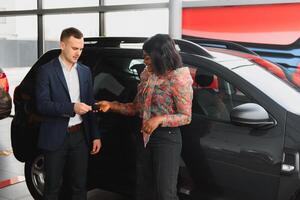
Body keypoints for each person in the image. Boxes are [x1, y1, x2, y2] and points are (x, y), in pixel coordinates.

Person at [97, 34, 193, 200]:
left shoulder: (178, 78)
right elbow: (136, 108)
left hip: (167, 139)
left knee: (165, 193)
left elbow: (186, 116)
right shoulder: (147, 75)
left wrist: (159, 119)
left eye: (148, 58)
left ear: (161, 57)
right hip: (144, 137)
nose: (145, 62)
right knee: (144, 190)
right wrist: (112, 105)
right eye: (144, 58)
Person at [35, 27, 101, 200]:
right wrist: (71, 108)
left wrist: (95, 135)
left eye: (80, 49)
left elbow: (90, 103)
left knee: (80, 186)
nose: (78, 53)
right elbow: (42, 105)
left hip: (80, 136)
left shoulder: (85, 71)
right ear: (62, 45)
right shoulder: (46, 71)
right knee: (52, 188)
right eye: (74, 48)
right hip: (55, 137)